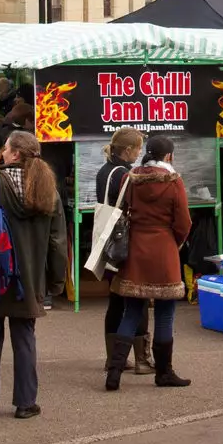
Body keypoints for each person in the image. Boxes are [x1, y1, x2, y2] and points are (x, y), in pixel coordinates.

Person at [0, 130, 67, 421]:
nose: (3, 153)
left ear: (15, 154)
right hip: (29, 281)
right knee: (24, 338)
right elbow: (57, 243)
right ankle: (25, 402)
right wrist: (55, 282)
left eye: (6, 149)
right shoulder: (48, 190)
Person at [107, 135, 193, 389]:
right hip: (164, 251)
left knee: (132, 311)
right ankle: (164, 372)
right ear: (169, 157)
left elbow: (123, 211)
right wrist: (171, 242)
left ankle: (114, 373)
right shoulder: (174, 182)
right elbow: (184, 223)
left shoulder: (130, 179)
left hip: (135, 251)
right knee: (165, 314)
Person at [94, 128, 154, 378]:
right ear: (128, 150)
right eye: (138, 148)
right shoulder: (125, 174)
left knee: (116, 300)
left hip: (108, 241)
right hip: (125, 242)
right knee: (137, 300)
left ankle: (113, 358)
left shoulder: (104, 170)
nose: (140, 152)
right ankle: (141, 359)